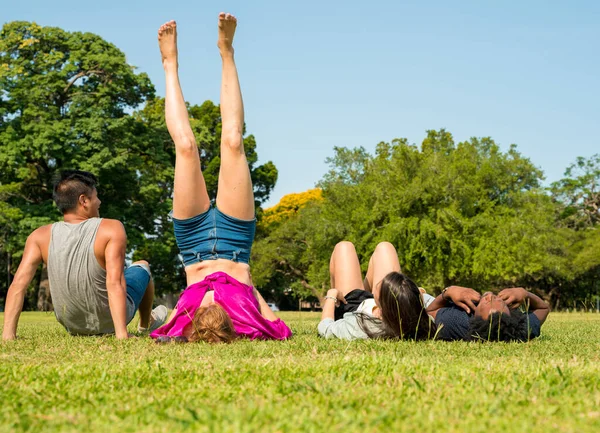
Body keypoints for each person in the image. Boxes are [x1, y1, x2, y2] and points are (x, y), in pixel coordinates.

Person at [150, 14, 291, 343]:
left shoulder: (183, 321)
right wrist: (252, 290)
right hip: (236, 245)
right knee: (232, 141)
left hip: (193, 243)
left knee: (185, 148)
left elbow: (159, 331)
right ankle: (226, 51)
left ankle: (169, 64)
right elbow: (282, 331)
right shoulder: (246, 323)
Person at [2, 170, 167, 340]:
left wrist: (8, 335)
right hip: (110, 321)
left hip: (72, 325)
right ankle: (146, 324)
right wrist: (121, 334)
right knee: (142, 266)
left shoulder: (39, 236)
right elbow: (114, 282)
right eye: (96, 197)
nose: (99, 202)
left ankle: (146, 322)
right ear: (84, 200)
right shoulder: (111, 228)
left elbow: (18, 286)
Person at [318, 241, 436, 340]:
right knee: (385, 247)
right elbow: (433, 306)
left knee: (343, 247)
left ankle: (338, 308)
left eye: (381, 285)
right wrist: (418, 293)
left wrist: (331, 296)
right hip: (384, 306)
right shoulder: (417, 317)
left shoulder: (360, 327)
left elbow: (325, 328)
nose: (381, 281)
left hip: (353, 307)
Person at [425, 285, 550, 341]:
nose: (490, 297)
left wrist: (448, 292)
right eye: (500, 302)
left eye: (485, 303)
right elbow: (543, 309)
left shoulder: (457, 321)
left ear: (474, 317)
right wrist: (525, 294)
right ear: (512, 315)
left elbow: (430, 311)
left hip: (434, 303)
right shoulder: (520, 328)